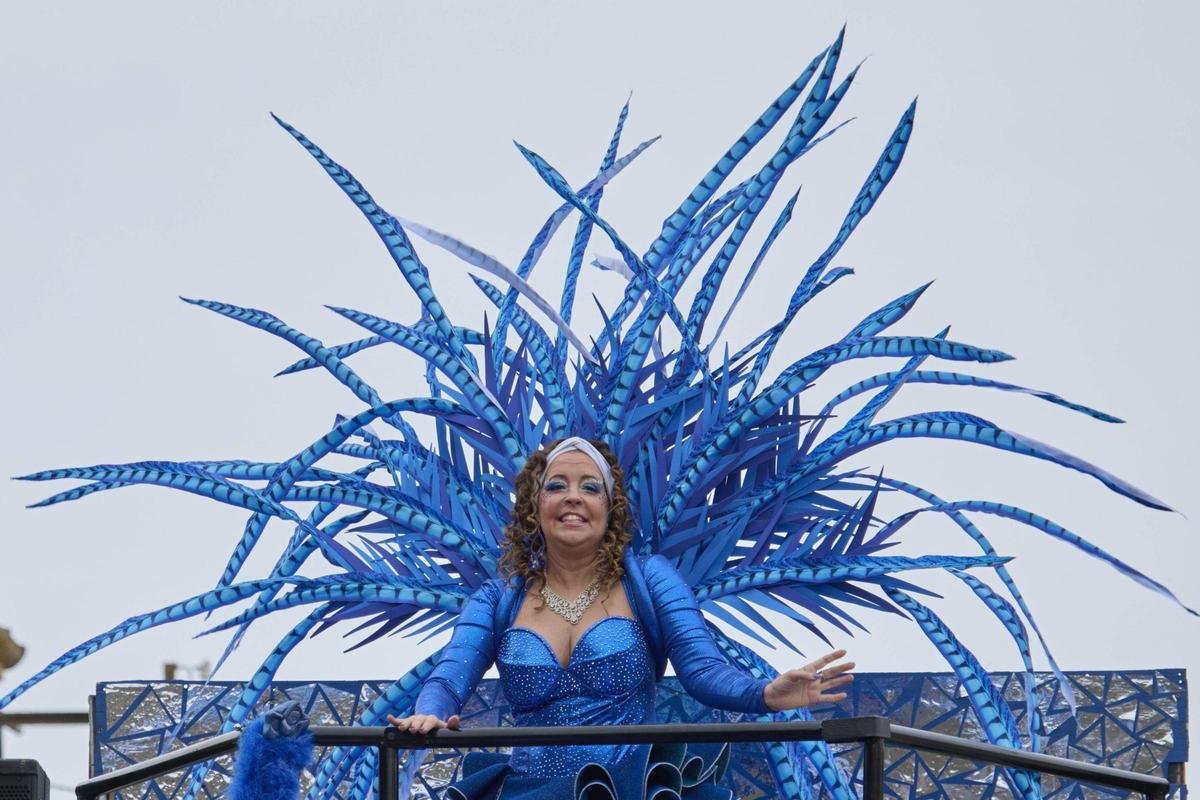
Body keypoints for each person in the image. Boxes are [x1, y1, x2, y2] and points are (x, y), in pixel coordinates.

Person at [388, 437, 854, 800]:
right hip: (528, 790)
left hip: (630, 787)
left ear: (610, 508)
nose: (573, 498)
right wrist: (427, 712)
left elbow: (702, 669)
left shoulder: (651, 580)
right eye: (557, 486)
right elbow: (451, 676)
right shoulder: (496, 599)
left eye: (590, 487)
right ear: (534, 506)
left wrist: (764, 694)